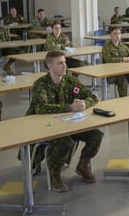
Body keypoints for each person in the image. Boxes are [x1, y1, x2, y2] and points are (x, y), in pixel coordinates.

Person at [27, 50, 103, 192]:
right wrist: (69, 107)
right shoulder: (41, 84)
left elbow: (92, 96)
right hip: (44, 126)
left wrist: (84, 104)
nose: (64, 66)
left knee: (96, 135)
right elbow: (40, 108)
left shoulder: (69, 80)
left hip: (67, 123)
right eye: (60, 63)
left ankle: (83, 165)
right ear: (50, 66)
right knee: (65, 141)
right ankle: (55, 172)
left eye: (65, 62)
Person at [102, 26, 129, 97]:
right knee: (123, 81)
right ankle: (123, 101)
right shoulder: (106, 48)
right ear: (110, 35)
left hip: (125, 71)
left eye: (119, 33)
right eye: (115, 33)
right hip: (112, 74)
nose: (117, 36)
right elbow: (108, 59)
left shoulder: (123, 46)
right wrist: (122, 60)